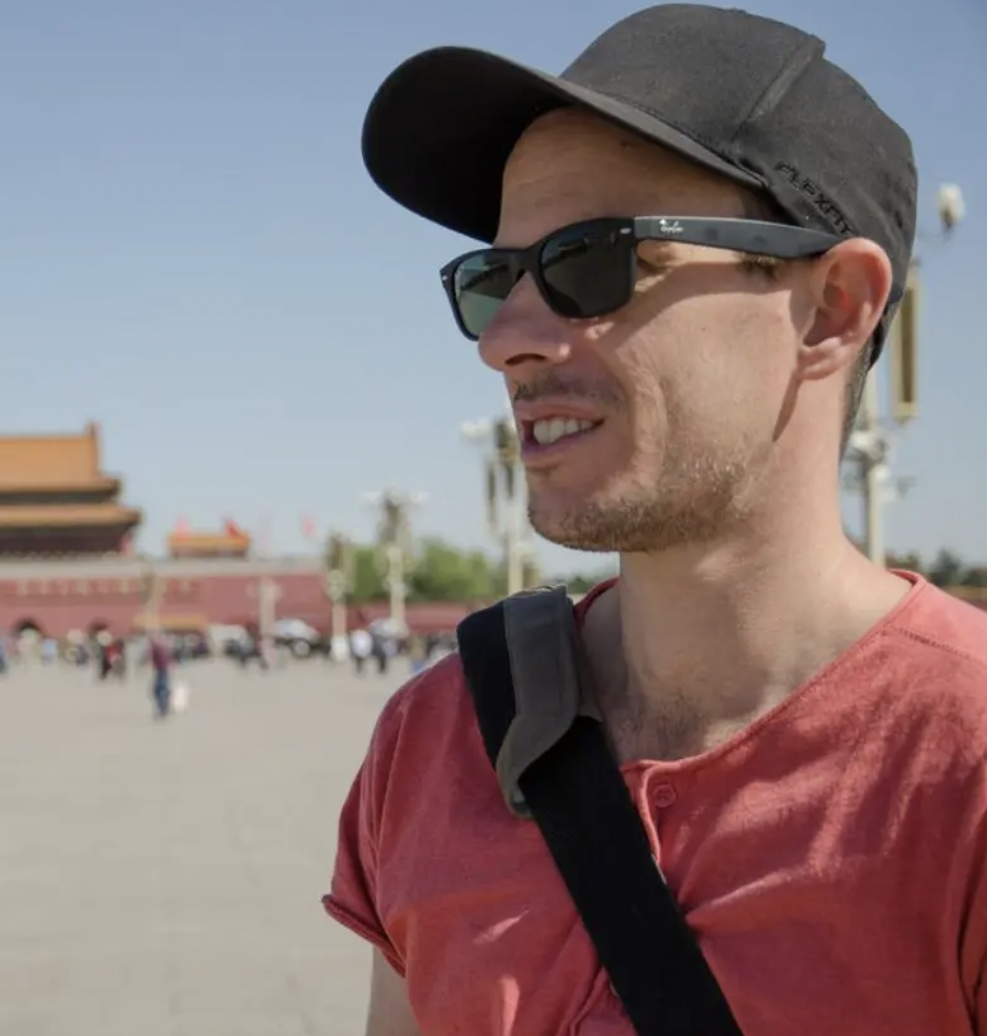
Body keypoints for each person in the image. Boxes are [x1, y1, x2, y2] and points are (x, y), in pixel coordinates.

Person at [323, 6, 987, 1035]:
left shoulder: (961, 768)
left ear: (834, 306)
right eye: (491, 278)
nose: (505, 339)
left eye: (595, 259)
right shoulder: (433, 740)